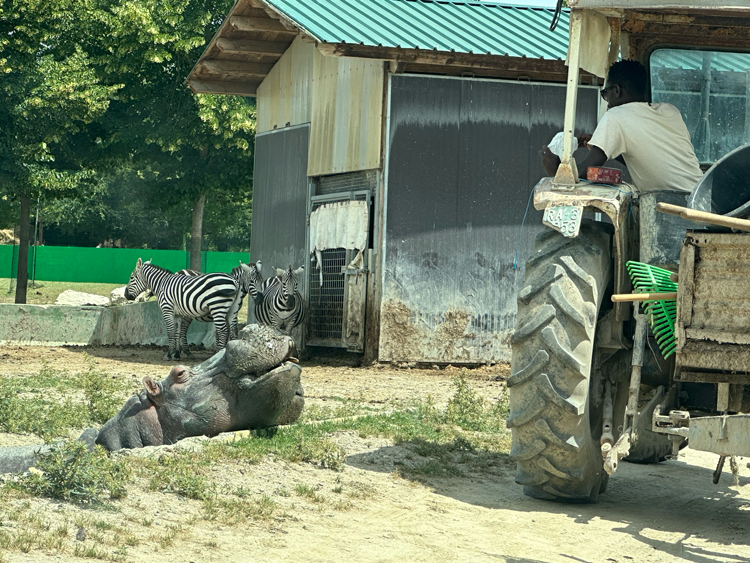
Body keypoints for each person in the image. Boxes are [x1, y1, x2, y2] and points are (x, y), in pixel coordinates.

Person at [540, 59, 703, 193]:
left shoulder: (615, 116)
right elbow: (648, 157)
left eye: (605, 93)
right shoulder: (670, 111)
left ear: (616, 90)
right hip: (702, 197)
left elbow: (586, 170)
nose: (607, 100)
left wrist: (555, 170)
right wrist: (599, 144)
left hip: (671, 205)